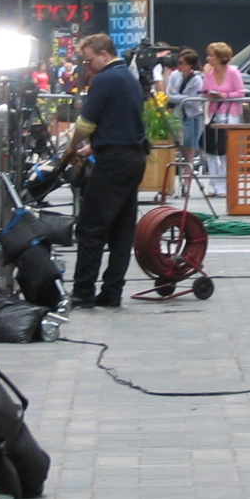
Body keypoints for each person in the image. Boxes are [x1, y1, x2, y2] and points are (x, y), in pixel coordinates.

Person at [65, 33, 149, 309]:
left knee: (91, 227)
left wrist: (72, 147)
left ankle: (83, 291)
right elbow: (122, 122)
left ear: (104, 54)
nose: (87, 68)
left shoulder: (104, 80)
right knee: (122, 230)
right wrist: (93, 147)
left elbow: (87, 123)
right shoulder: (129, 78)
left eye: (89, 61)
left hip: (112, 163)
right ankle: (112, 291)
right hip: (134, 158)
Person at [200, 42, 244, 196]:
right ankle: (213, 185)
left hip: (230, 113)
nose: (208, 58)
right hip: (214, 113)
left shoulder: (233, 72)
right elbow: (204, 91)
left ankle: (225, 185)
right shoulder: (210, 72)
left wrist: (224, 95)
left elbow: (241, 92)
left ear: (220, 58)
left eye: (211, 55)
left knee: (226, 150)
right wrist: (208, 83)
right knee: (211, 149)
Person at [165, 49, 206, 185]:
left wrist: (176, 96)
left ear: (190, 65)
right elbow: (168, 95)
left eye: (182, 63)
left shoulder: (197, 79)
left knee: (189, 147)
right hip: (177, 114)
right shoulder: (174, 75)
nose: (179, 65)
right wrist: (183, 97)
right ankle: (175, 178)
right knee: (176, 145)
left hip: (192, 115)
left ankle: (187, 180)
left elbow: (194, 100)